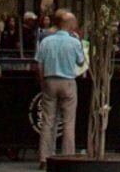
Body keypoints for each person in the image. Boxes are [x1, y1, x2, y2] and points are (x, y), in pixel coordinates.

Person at [34, 9, 88, 160]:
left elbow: (39, 65)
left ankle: (45, 157)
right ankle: (67, 156)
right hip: (68, 81)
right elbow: (81, 61)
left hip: (50, 80)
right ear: (69, 24)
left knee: (48, 121)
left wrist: (43, 82)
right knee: (68, 122)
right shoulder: (74, 42)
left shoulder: (45, 41)